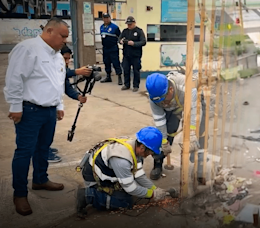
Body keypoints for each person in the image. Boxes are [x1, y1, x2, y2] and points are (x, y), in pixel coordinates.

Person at [3, 17, 69, 216]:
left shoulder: (57, 55)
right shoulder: (28, 49)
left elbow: (58, 82)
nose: (65, 40)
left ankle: (40, 179)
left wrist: (59, 105)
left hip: (49, 111)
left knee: (43, 148)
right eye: (62, 36)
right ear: (49, 31)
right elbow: (14, 78)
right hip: (29, 110)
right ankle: (20, 193)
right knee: (25, 151)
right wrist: (15, 106)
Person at [76, 126, 168, 218]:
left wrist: (154, 189)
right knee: (125, 201)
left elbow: (139, 175)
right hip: (94, 178)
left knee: (135, 189)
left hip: (106, 171)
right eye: (150, 152)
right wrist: (152, 194)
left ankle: (111, 189)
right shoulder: (122, 160)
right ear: (143, 147)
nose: (150, 155)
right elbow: (131, 188)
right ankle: (87, 195)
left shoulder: (134, 146)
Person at [145, 72, 207, 183]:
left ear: (171, 90)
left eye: (164, 100)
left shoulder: (188, 88)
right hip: (174, 108)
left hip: (194, 104)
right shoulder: (154, 98)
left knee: (200, 133)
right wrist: (164, 141)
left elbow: (194, 112)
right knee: (164, 134)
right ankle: (158, 164)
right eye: (159, 102)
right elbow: (159, 121)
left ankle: (199, 166)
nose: (163, 103)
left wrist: (192, 132)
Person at [48, 45, 92, 163]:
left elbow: (66, 87)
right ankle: (43, 152)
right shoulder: (50, 65)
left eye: (68, 59)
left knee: (49, 129)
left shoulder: (63, 68)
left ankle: (45, 147)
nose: (67, 62)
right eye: (65, 58)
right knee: (42, 131)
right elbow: (59, 73)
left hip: (53, 103)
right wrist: (76, 71)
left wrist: (78, 96)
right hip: (41, 104)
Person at [119, 16, 146, 92]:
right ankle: (126, 84)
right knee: (126, 70)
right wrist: (120, 41)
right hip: (126, 55)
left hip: (136, 55)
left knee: (136, 71)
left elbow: (143, 42)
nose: (129, 26)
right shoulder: (125, 31)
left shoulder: (139, 31)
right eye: (128, 24)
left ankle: (136, 85)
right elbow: (119, 39)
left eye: (130, 24)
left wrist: (134, 43)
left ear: (134, 23)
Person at [99, 13, 123, 85]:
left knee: (116, 62)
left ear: (110, 18)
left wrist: (120, 41)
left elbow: (120, 36)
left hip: (113, 48)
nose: (106, 19)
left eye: (107, 18)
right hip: (105, 48)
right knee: (106, 62)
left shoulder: (115, 27)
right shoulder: (101, 27)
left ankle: (119, 77)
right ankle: (108, 76)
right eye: (104, 18)